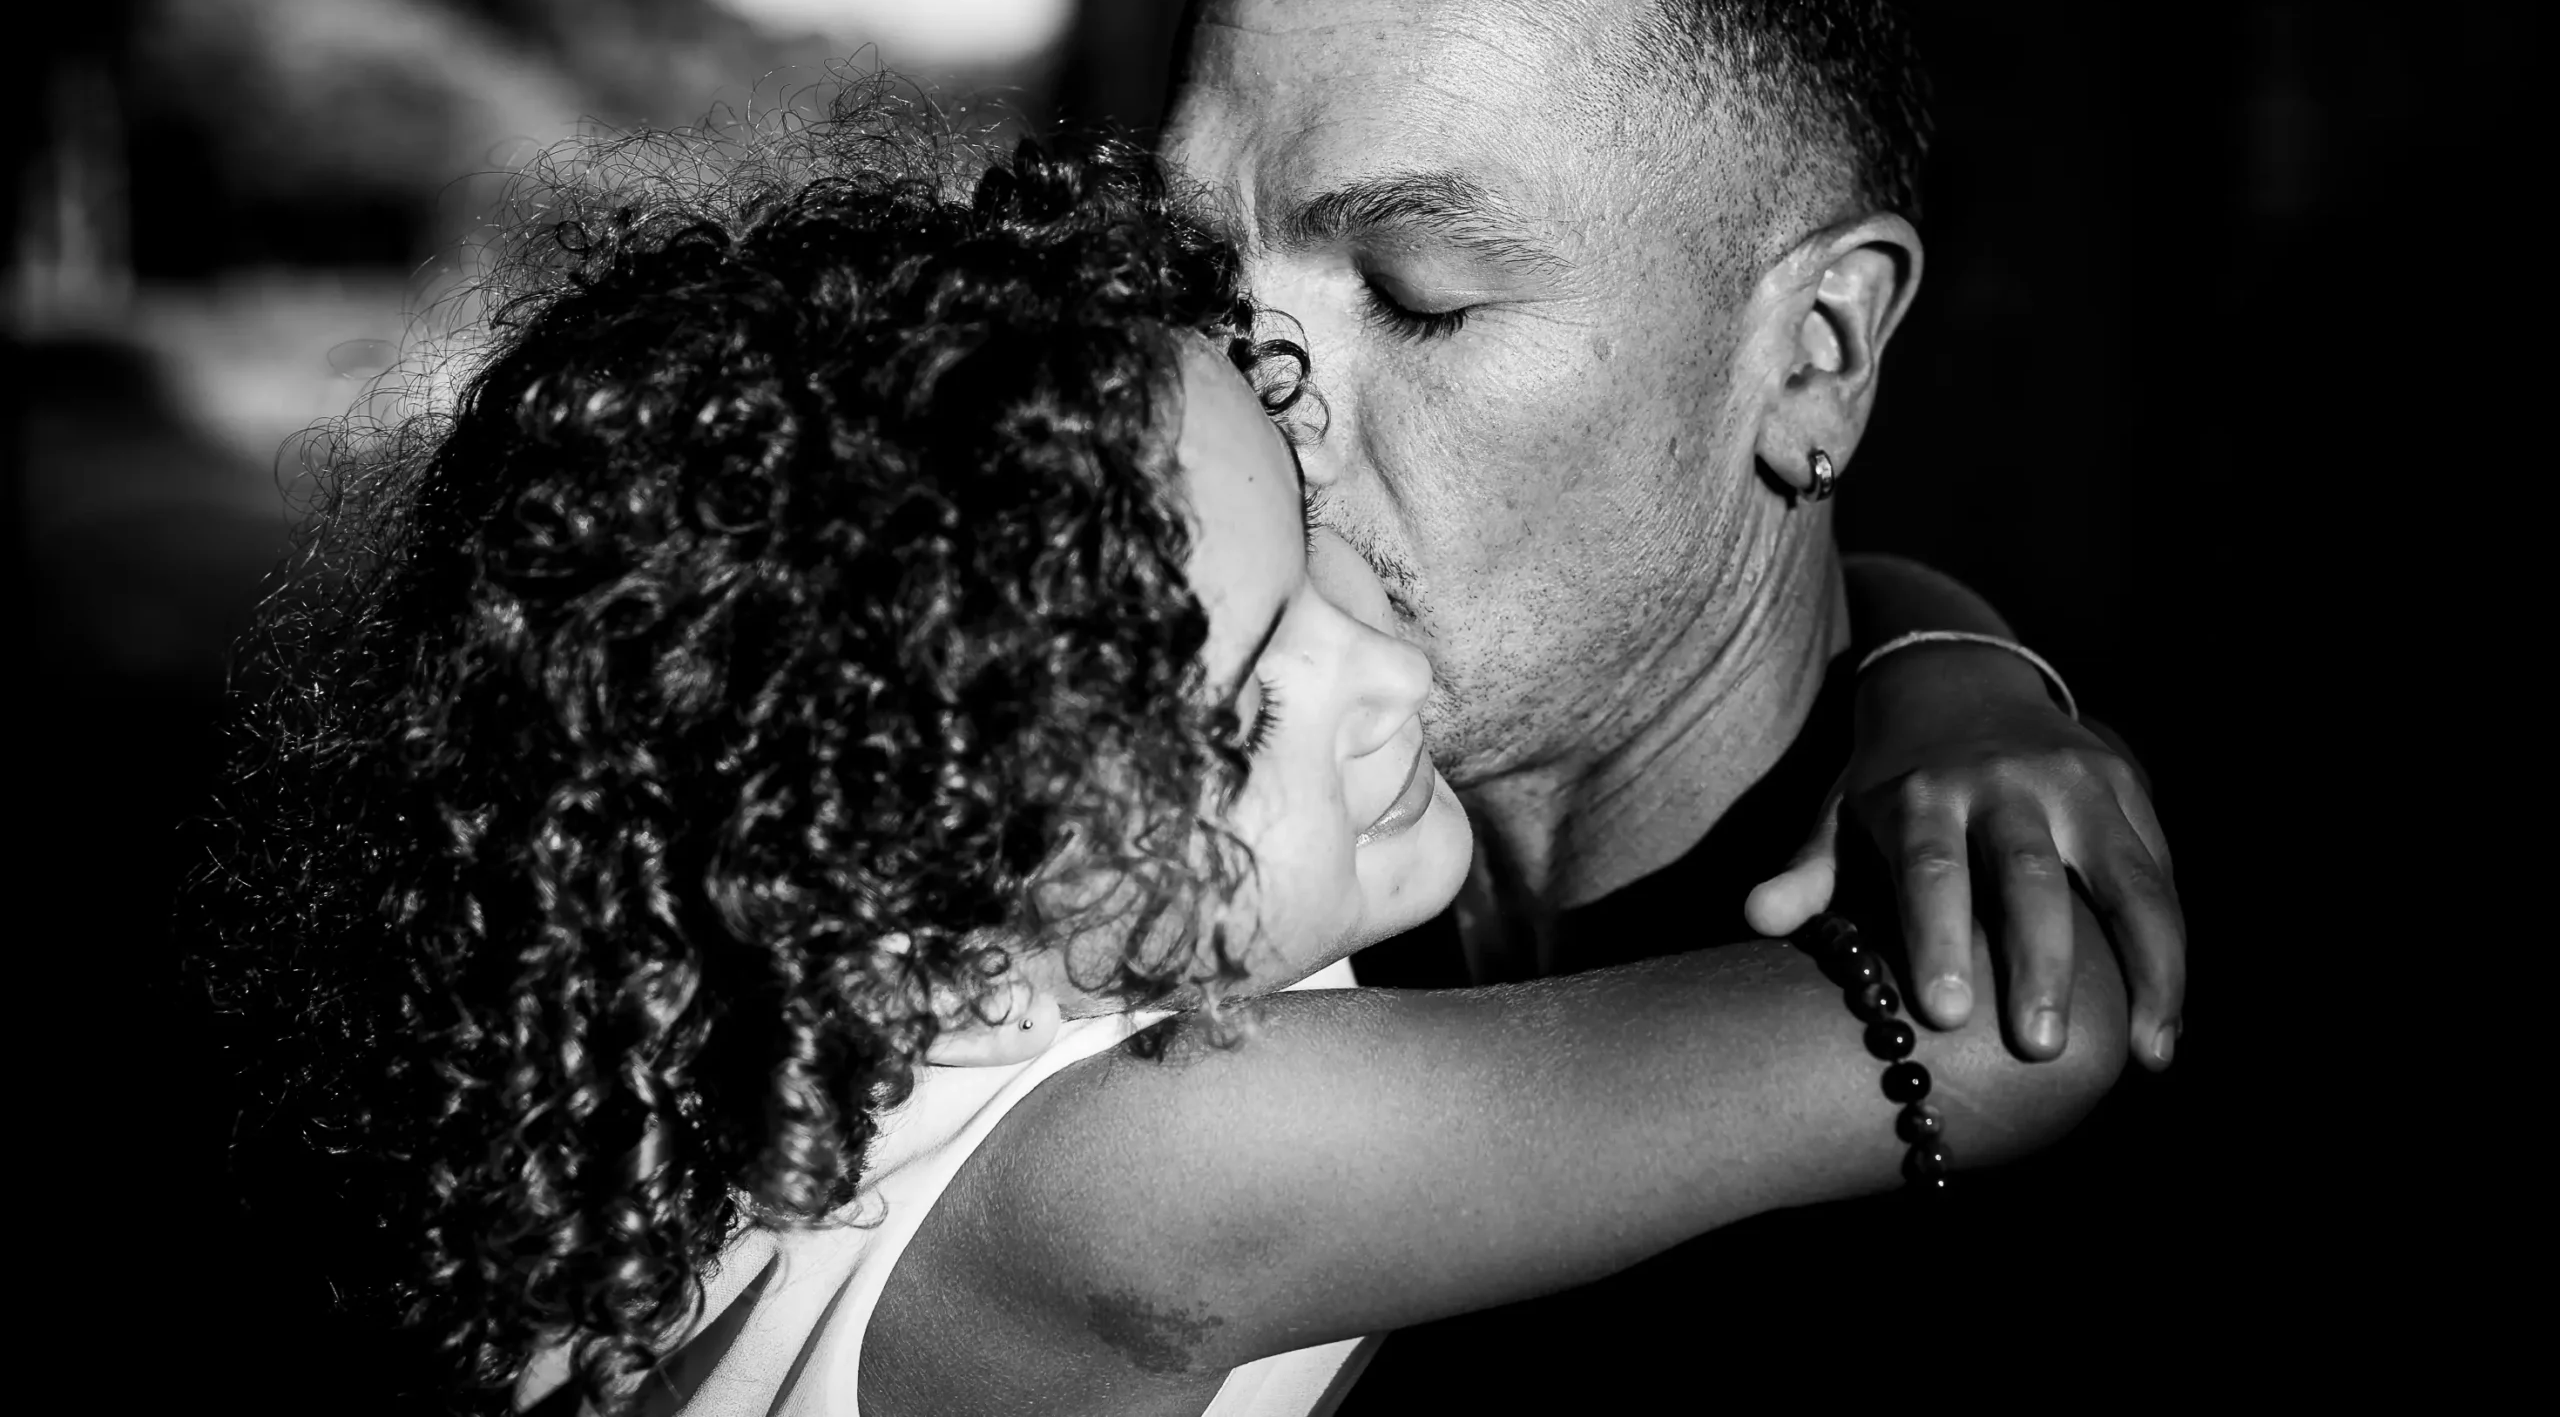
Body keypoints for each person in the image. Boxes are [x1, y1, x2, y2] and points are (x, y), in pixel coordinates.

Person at [197, 112, 2128, 1417]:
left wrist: (1927, 637)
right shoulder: (1151, 1173)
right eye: (1233, 705)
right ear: (895, 869)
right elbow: (2010, 1043)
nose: (1383, 667)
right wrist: (1960, 670)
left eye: (1305, 545)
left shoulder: (755, 1059)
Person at [1152, 0, 2188, 1401]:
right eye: (1184, 271)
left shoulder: (2048, 1022)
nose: (1256, 394)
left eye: (1418, 296)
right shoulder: (1133, 916)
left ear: (1817, 354)